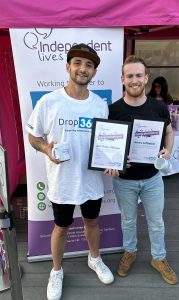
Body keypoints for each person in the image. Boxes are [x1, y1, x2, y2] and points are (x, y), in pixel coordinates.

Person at [26, 43, 118, 300]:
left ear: (94, 72)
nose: (83, 68)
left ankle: (94, 259)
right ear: (68, 67)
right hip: (62, 182)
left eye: (89, 65)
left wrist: (112, 159)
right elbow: (34, 136)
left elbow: (107, 142)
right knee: (61, 227)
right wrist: (46, 149)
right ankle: (56, 271)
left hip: (91, 181)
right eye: (77, 63)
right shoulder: (49, 101)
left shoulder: (100, 105)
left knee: (92, 222)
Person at [108, 55, 178, 285]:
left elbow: (169, 133)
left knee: (156, 222)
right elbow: (107, 145)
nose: (135, 80)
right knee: (128, 221)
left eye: (139, 75)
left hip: (152, 179)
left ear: (146, 78)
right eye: (130, 76)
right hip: (124, 181)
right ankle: (130, 252)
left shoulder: (158, 108)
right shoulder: (113, 110)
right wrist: (114, 161)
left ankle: (158, 258)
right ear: (122, 79)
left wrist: (167, 151)